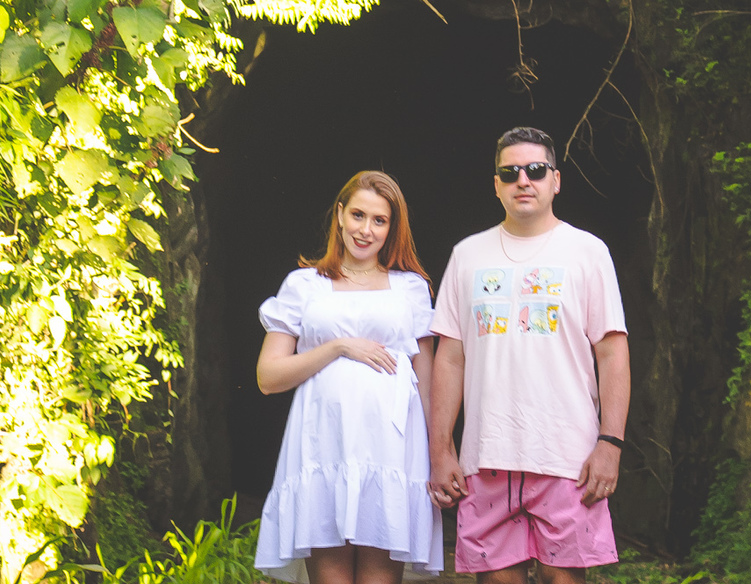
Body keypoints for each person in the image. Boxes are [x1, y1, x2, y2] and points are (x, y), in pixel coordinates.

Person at [428, 126, 631, 584]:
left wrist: (610, 443)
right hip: (488, 457)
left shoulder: (587, 252)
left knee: (564, 579)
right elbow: (450, 357)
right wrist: (441, 449)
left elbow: (612, 352)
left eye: (536, 170)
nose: (524, 180)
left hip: (568, 457)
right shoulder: (467, 255)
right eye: (510, 171)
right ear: (496, 184)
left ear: (555, 180)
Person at [255, 169, 444, 584]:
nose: (366, 230)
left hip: (392, 451)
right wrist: (338, 347)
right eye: (358, 215)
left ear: (392, 229)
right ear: (339, 215)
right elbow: (268, 376)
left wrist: (438, 454)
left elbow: (427, 382)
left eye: (380, 220)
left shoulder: (410, 288)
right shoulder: (304, 284)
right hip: (323, 447)